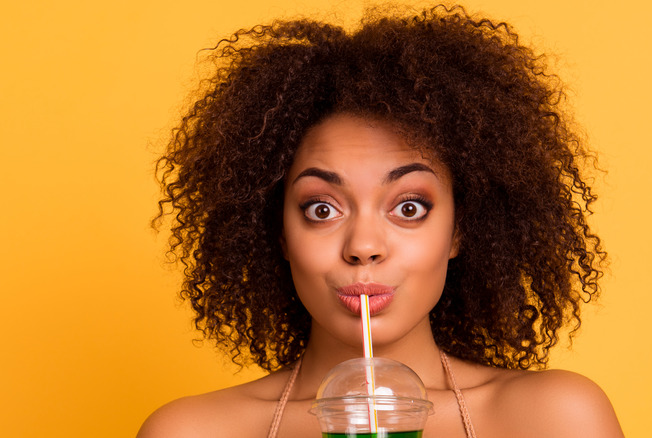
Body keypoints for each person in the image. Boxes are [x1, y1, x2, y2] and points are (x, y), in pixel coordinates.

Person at [138, 4, 623, 437]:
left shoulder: (555, 419)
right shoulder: (192, 431)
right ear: (280, 233)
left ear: (458, 231)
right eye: (321, 209)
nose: (364, 245)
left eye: (408, 207)